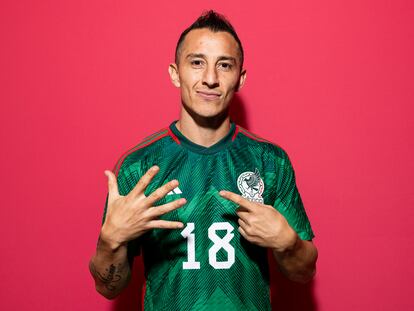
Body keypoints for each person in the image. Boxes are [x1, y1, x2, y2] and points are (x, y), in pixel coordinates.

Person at [89, 10, 318, 310]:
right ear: (175, 73)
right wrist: (110, 241)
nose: (210, 79)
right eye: (197, 63)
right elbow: (109, 287)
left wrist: (288, 242)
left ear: (241, 78)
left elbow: (304, 272)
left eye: (224, 65)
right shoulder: (139, 167)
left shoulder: (269, 161)